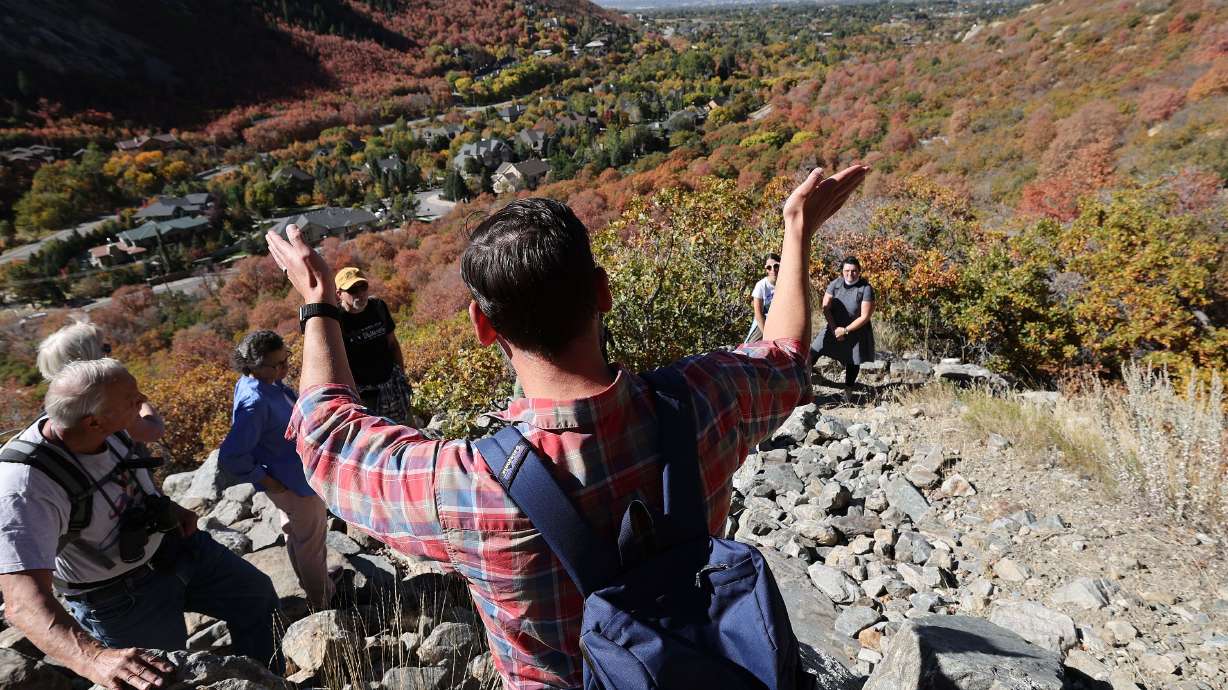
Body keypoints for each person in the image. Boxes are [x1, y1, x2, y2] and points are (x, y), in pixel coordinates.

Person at [268, 164, 867, 689]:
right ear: (603, 292)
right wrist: (797, 233)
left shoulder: (470, 489)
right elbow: (786, 354)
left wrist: (319, 306)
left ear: (482, 327)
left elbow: (327, 438)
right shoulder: (706, 399)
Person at [0, 359, 282, 690]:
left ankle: (265, 681)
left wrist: (170, 507)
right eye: (132, 399)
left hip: (176, 547)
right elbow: (22, 603)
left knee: (256, 597)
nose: (142, 400)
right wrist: (94, 658)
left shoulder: (106, 425)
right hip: (118, 597)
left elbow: (121, 471)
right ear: (94, 422)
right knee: (163, 679)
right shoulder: (25, 487)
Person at [219, 331, 334, 609]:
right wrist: (267, 480)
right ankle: (322, 600)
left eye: (286, 359)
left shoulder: (263, 383)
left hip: (289, 477)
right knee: (311, 544)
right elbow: (231, 456)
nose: (285, 368)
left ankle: (313, 584)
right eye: (277, 364)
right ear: (254, 366)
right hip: (294, 483)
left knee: (296, 533)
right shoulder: (254, 401)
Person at [37, 321, 165, 443]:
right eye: (105, 348)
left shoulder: (59, 404)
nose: (110, 352)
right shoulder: (108, 399)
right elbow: (152, 431)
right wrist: (138, 401)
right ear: (91, 358)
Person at [333, 267, 414, 424]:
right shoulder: (337, 321)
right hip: (365, 395)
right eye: (352, 290)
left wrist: (401, 374)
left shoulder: (378, 307)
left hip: (392, 385)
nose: (360, 294)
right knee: (380, 439)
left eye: (363, 287)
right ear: (339, 294)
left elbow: (392, 343)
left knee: (409, 430)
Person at [810, 257, 876, 403]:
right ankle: (802, 385)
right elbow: (825, 308)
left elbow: (865, 317)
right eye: (847, 270)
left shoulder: (865, 288)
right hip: (833, 326)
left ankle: (847, 393)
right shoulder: (836, 284)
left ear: (859, 271)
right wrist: (834, 329)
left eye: (854, 271)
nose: (850, 274)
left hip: (855, 330)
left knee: (853, 360)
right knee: (813, 351)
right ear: (842, 271)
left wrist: (845, 330)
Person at [745, 253, 781, 342]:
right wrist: (767, 336)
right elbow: (758, 315)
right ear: (766, 270)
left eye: (776, 266)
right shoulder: (761, 286)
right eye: (769, 267)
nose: (773, 270)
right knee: (750, 347)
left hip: (780, 319)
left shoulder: (785, 283)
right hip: (764, 322)